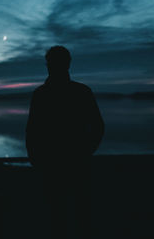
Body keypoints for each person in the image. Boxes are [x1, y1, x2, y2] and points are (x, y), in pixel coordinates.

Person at [26, 45, 104, 238]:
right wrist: (35, 157)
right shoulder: (44, 94)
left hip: (69, 162)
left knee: (70, 213)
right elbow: (33, 130)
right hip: (54, 163)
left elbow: (97, 126)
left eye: (55, 62)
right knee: (61, 213)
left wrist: (85, 152)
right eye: (52, 63)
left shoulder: (75, 92)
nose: (53, 66)